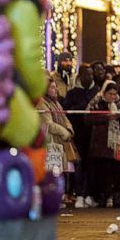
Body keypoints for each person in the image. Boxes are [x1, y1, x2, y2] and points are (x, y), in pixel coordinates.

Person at [87, 83, 120, 208]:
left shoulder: (119, 106)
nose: (113, 96)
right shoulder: (97, 104)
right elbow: (87, 119)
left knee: (116, 172)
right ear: (104, 94)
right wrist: (106, 117)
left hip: (115, 145)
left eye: (115, 94)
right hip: (101, 144)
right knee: (102, 173)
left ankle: (116, 197)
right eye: (110, 93)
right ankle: (102, 198)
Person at [42, 75, 79, 205]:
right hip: (52, 142)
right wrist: (64, 132)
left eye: (55, 87)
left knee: (62, 171)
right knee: (53, 172)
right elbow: (49, 124)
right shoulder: (42, 103)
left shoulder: (56, 103)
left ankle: (62, 195)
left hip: (61, 141)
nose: (55, 90)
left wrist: (69, 129)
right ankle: (53, 198)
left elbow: (65, 118)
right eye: (52, 87)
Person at [65, 65, 99, 208]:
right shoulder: (73, 93)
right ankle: (79, 194)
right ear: (80, 76)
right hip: (79, 133)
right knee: (79, 165)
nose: (90, 77)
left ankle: (89, 194)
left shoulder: (97, 91)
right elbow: (68, 110)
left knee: (92, 165)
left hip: (94, 134)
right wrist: (84, 105)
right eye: (87, 74)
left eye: (91, 74)